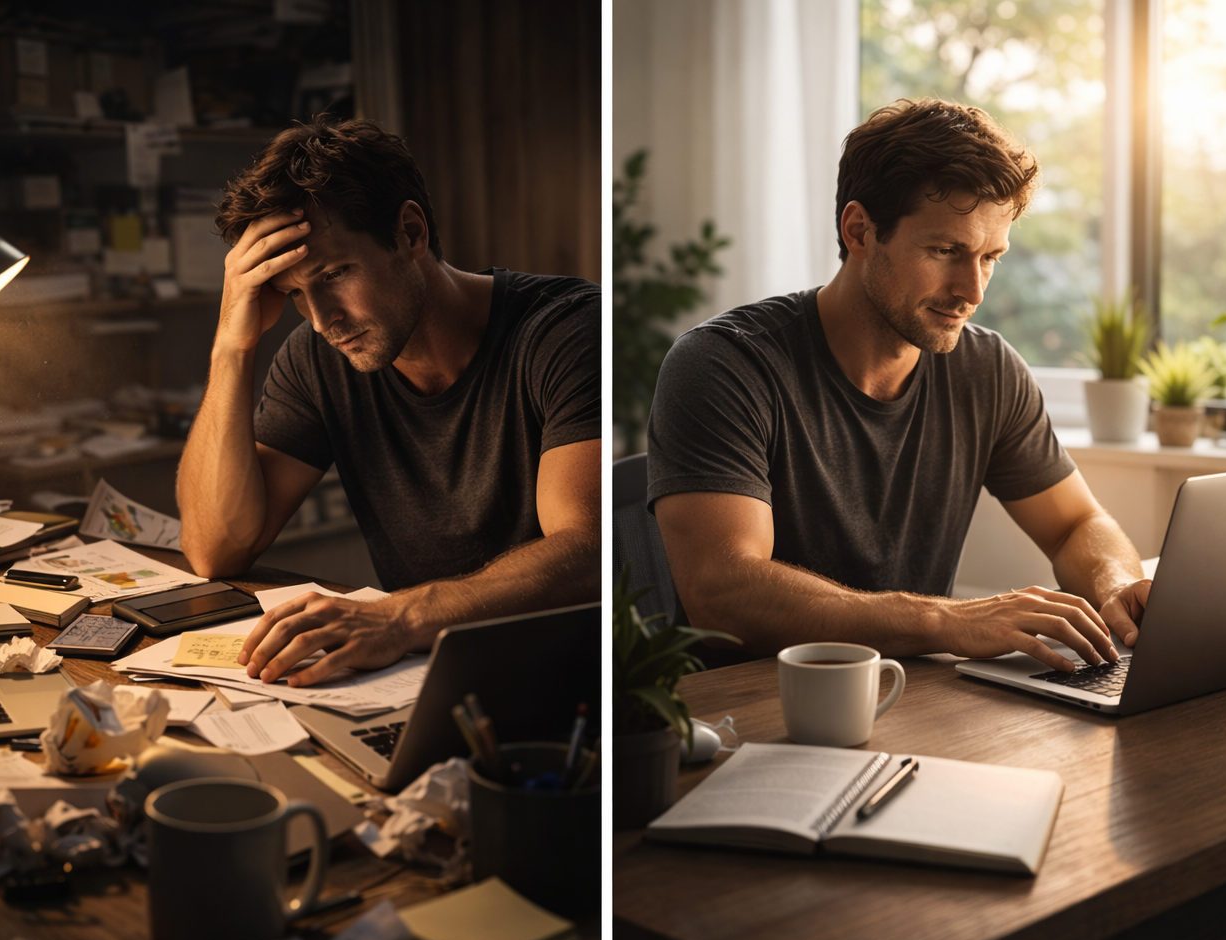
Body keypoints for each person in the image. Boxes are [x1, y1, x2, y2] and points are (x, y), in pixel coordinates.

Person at [647, 98, 1149, 672]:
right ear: (860, 231)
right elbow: (724, 594)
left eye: (990, 257)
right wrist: (947, 620)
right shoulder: (726, 364)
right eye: (945, 251)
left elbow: (1075, 524)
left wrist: (1116, 587)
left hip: (912, 697)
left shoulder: (988, 370)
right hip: (750, 713)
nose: (973, 290)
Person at [177, 116, 600, 688]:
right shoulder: (318, 357)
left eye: (335, 273)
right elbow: (216, 549)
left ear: (410, 232)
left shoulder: (568, 331)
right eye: (294, 293)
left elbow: (587, 548)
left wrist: (397, 616)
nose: (324, 319)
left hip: (565, 677)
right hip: (419, 677)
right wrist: (233, 342)